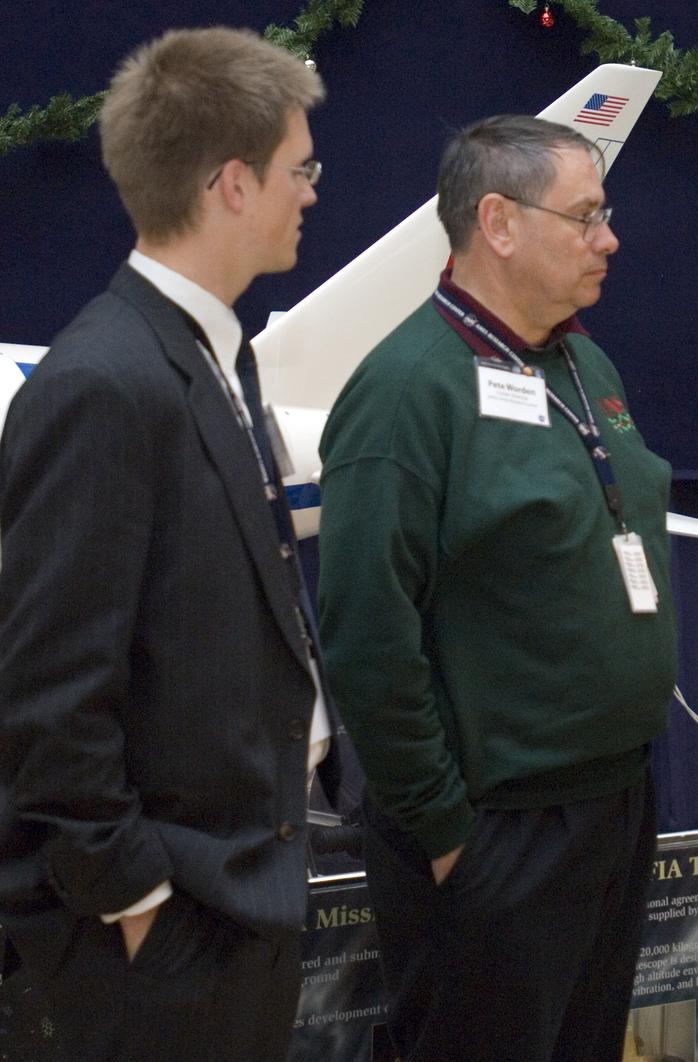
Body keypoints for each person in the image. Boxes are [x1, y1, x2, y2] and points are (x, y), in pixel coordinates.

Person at [0, 27, 335, 1062]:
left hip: (235, 901)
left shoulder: (208, 354)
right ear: (232, 184)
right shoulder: (102, 383)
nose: (310, 193)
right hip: (158, 940)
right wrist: (136, 900)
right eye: (299, 170)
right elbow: (47, 693)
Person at [317, 114, 677, 1062]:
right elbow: (364, 635)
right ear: (499, 223)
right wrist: (444, 834)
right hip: (496, 833)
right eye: (586, 216)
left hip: (612, 804)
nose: (609, 239)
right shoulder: (406, 390)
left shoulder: (583, 363)